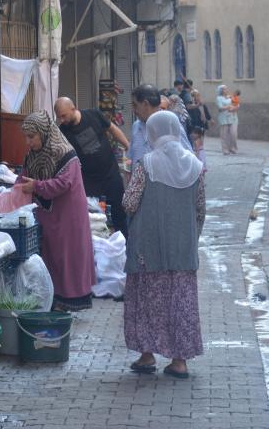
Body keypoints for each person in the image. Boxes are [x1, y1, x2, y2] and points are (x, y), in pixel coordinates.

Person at [122, 110, 206, 379]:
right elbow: (200, 209)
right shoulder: (195, 166)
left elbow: (129, 203)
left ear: (153, 132)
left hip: (149, 249)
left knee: (147, 301)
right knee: (180, 303)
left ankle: (147, 356)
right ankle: (179, 361)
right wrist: (191, 237)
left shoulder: (145, 164)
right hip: (182, 250)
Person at [17, 111, 96, 311]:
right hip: (46, 214)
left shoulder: (64, 152)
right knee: (50, 256)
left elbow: (64, 183)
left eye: (31, 136)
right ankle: (52, 299)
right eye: (26, 137)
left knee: (66, 256)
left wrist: (36, 186)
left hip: (67, 214)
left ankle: (68, 300)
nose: (28, 142)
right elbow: (24, 177)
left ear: (43, 133)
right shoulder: (33, 155)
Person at [55, 97, 130, 238]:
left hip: (110, 174)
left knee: (119, 215)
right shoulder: (62, 132)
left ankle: (124, 249)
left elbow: (113, 129)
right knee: (93, 220)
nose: (62, 120)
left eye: (63, 116)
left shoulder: (94, 115)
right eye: (59, 117)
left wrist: (128, 146)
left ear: (73, 108)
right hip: (88, 181)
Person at [128, 84, 192, 167]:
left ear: (145, 104)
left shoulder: (171, 126)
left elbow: (188, 161)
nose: (133, 110)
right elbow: (131, 157)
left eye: (135, 105)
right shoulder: (136, 126)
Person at [216, 84, 239, 155]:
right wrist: (229, 106)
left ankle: (233, 148)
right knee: (224, 135)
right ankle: (225, 149)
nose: (226, 90)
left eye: (226, 88)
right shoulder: (219, 98)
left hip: (233, 117)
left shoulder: (230, 97)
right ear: (221, 91)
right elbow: (220, 107)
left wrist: (235, 107)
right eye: (225, 89)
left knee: (233, 134)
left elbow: (237, 104)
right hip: (223, 118)